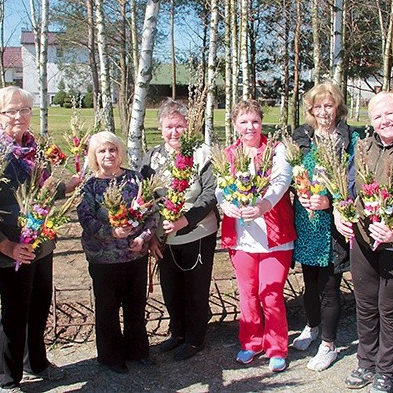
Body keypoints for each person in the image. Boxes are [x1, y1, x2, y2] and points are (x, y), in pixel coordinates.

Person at [0, 86, 79, 392]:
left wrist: (67, 187)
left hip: (41, 242)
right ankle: (7, 377)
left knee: (39, 303)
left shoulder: (35, 149)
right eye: (10, 111)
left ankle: (36, 361)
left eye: (24, 110)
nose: (18, 116)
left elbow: (41, 193)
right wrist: (5, 245)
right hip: (11, 247)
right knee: (15, 310)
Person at [334, 92, 393, 393]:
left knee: (389, 309)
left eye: (390, 114)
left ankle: (386, 369)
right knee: (366, 305)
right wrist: (338, 211)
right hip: (362, 240)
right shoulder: (363, 148)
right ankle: (365, 361)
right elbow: (348, 188)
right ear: (371, 121)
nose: (384, 121)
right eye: (377, 116)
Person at [217, 99, 297, 373]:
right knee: (248, 293)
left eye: (254, 121)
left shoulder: (276, 150)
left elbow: (281, 182)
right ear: (235, 125)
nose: (250, 127)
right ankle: (251, 342)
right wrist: (224, 203)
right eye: (243, 122)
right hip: (241, 237)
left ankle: (277, 347)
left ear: (262, 123)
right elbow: (221, 186)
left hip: (275, 236)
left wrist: (264, 206)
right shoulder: (229, 153)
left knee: (271, 292)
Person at [141, 99, 219, 361]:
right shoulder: (152, 158)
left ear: (189, 127)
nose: (174, 132)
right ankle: (178, 332)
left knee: (195, 287)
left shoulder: (201, 154)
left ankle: (196, 337)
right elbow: (145, 198)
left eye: (180, 126)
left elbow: (210, 194)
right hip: (165, 237)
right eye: (168, 127)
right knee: (171, 288)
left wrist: (185, 220)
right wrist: (151, 234)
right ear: (161, 129)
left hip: (197, 231)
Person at [290, 82, 359, 372]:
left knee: (330, 287)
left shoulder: (350, 138)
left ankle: (329, 345)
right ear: (310, 110)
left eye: (328, 106)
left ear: (338, 107)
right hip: (306, 221)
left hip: (332, 222)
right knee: (310, 284)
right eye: (317, 107)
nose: (323, 112)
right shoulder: (302, 137)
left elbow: (354, 180)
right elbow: (292, 172)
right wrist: (300, 190)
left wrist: (330, 202)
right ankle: (313, 326)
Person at [77, 131, 156, 374]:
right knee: (108, 308)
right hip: (104, 258)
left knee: (136, 305)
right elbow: (85, 219)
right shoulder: (89, 186)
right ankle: (111, 357)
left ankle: (138, 351)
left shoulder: (134, 179)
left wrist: (143, 237)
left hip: (134, 255)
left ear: (119, 152)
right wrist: (111, 232)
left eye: (112, 150)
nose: (108, 155)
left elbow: (151, 213)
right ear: (94, 155)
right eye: (102, 151)